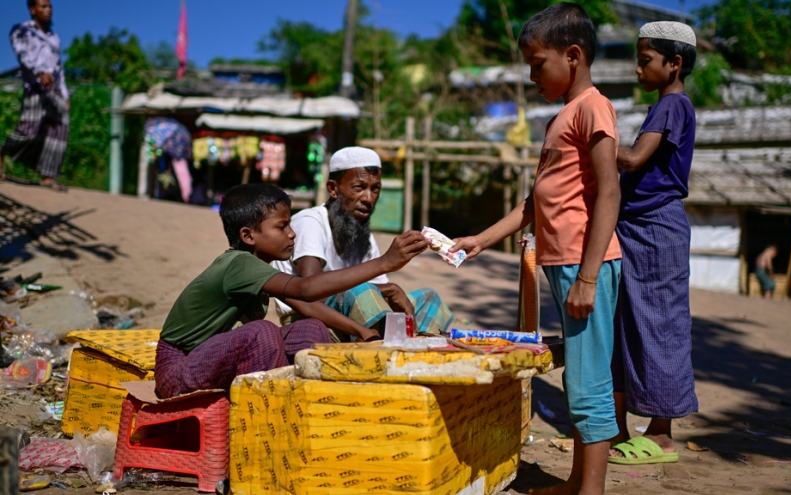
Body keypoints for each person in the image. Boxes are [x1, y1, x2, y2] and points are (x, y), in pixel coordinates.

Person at [451, 5, 622, 494]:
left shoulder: (593, 107)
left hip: (586, 263)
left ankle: (589, 491)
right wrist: (481, 240)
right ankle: (575, 483)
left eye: (536, 64)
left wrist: (589, 277)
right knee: (580, 375)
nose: (531, 76)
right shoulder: (560, 118)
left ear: (573, 56)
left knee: (589, 380)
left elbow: (609, 192)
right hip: (564, 264)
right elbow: (535, 201)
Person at [155, 184, 428, 398]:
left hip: (211, 358)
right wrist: (384, 263)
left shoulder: (259, 266)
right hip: (179, 367)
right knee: (262, 333)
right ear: (249, 235)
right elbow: (306, 289)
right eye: (282, 226)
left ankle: (302, 399)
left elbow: (304, 303)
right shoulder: (238, 265)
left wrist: (362, 332)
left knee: (310, 329)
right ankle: (271, 408)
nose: (292, 234)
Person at [609, 21, 699, 466]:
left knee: (660, 326)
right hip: (636, 227)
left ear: (674, 63)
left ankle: (662, 435)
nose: (638, 70)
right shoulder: (663, 107)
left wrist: (592, 138)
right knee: (628, 325)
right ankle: (621, 427)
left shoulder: (672, 106)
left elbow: (633, 159)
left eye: (645, 61)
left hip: (657, 229)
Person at [271, 146, 454, 342]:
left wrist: (391, 294)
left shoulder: (362, 234)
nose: (368, 198)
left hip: (355, 315)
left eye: (375, 189)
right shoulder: (311, 222)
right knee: (363, 290)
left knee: (428, 298)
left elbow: (381, 294)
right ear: (333, 188)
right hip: (310, 321)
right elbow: (310, 293)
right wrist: (387, 286)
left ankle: (419, 348)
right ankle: (383, 352)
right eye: (359, 188)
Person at [0, 0, 69, 192]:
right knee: (29, 128)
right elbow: (22, 55)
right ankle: (2, 152)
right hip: (34, 84)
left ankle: (48, 176)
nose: (48, 11)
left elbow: (59, 67)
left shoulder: (54, 37)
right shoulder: (21, 30)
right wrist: (38, 72)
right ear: (32, 9)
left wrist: (64, 94)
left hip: (53, 87)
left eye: (50, 6)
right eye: (43, 6)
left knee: (60, 127)